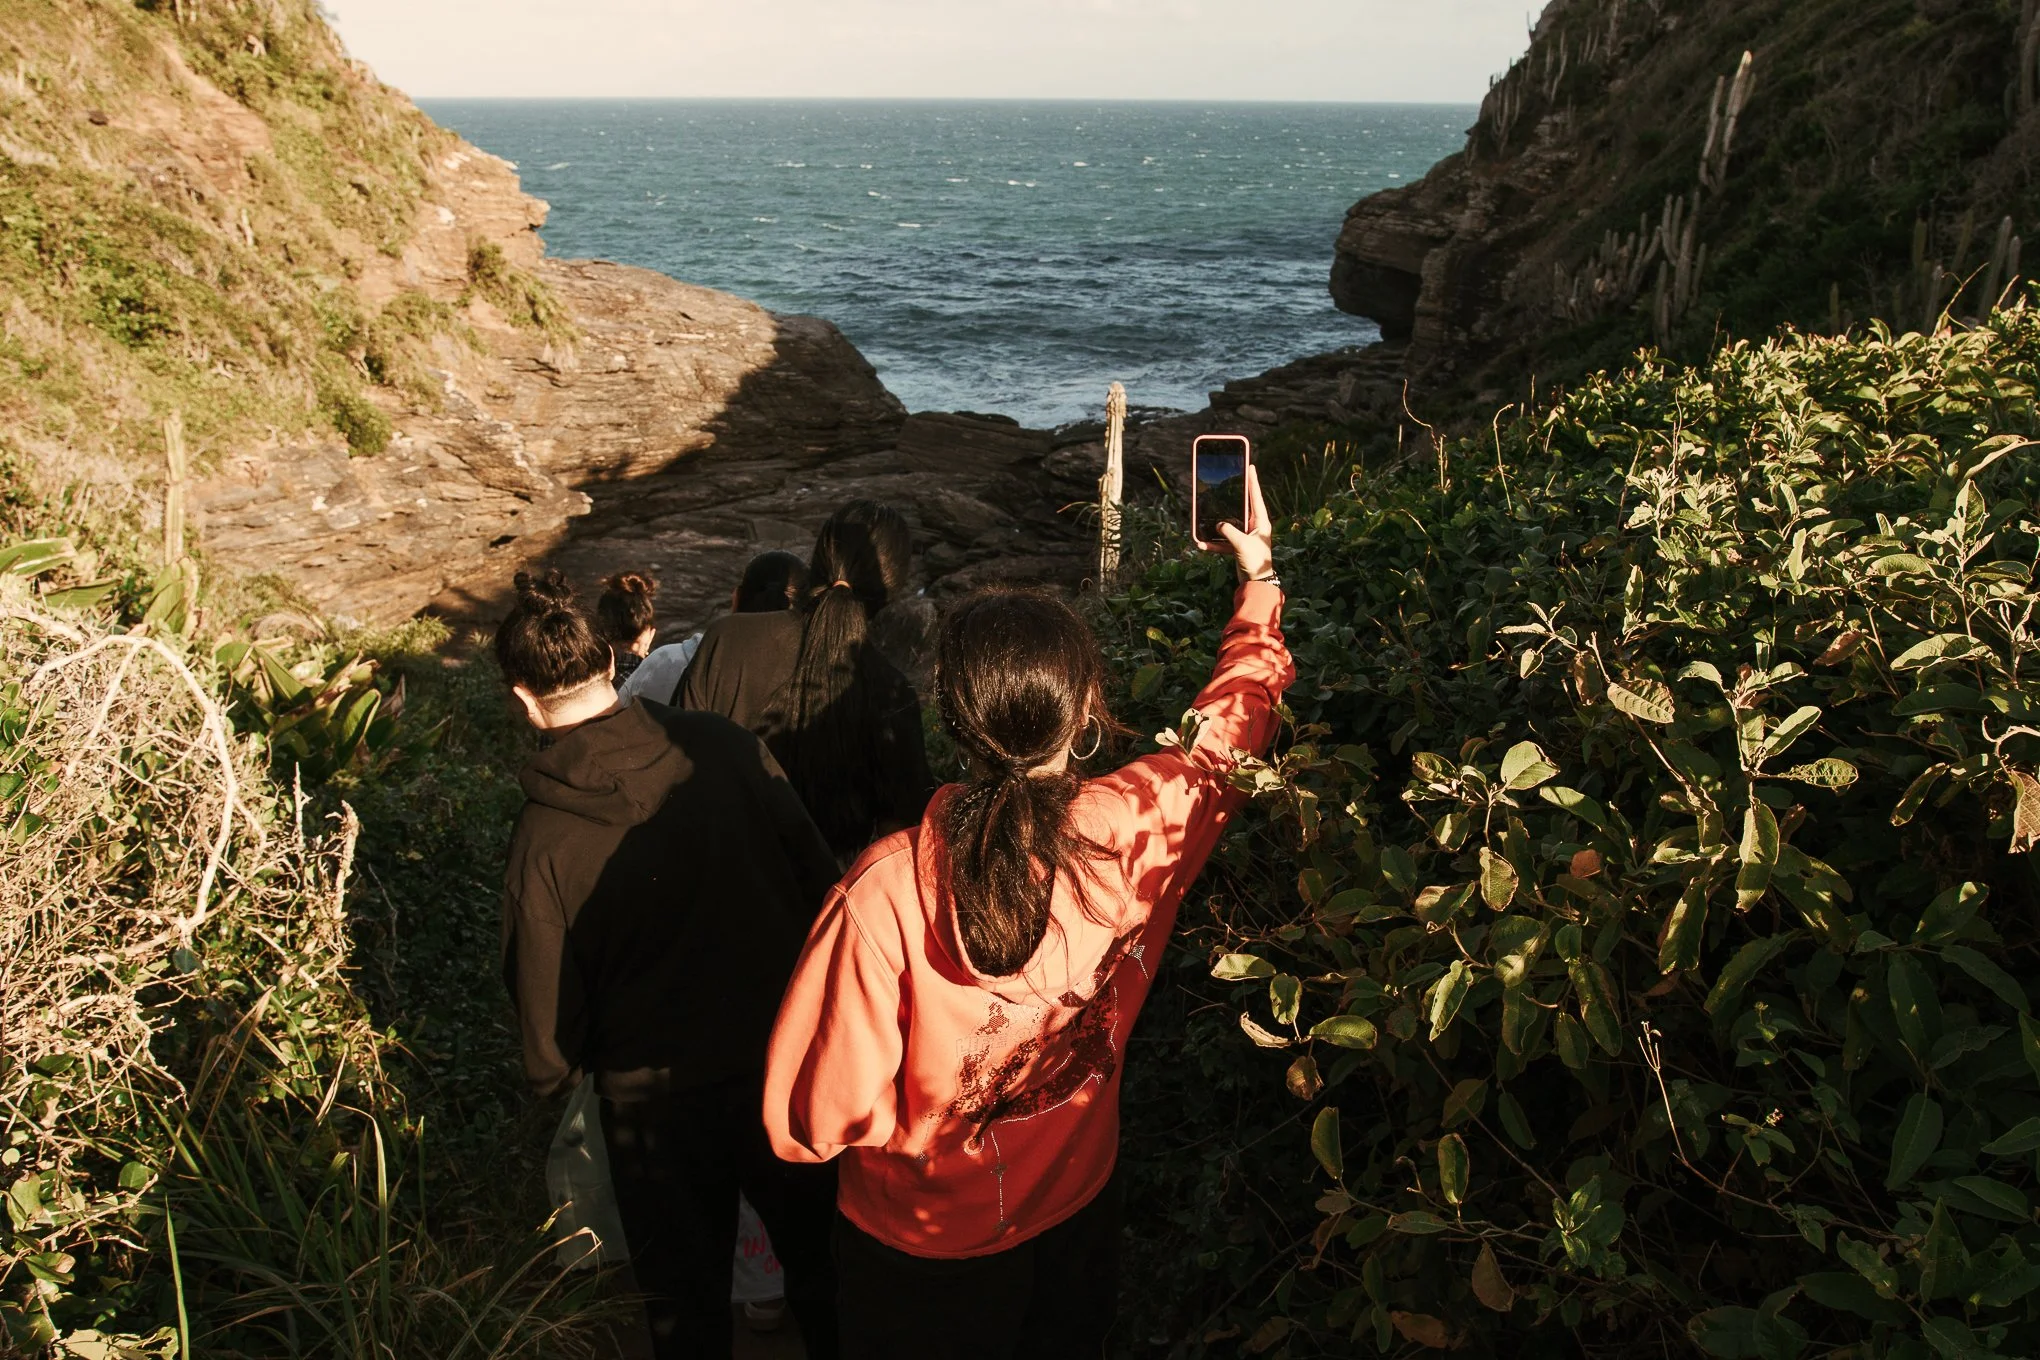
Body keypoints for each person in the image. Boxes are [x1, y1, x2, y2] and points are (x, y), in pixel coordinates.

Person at [762, 469, 1292, 1359]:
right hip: (1078, 1209)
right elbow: (1235, 723)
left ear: (956, 721)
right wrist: (1260, 578)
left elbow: (814, 1124)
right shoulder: (1142, 824)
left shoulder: (884, 894)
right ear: (1087, 711)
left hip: (919, 1256)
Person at [493, 569, 842, 1360]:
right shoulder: (720, 747)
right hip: (780, 1060)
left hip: (654, 1107)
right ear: (609, 666)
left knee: (683, 1304)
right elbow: (822, 882)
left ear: (523, 698)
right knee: (823, 1267)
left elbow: (546, 1038)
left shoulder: (542, 841)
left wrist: (565, 1070)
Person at [680, 501, 935, 862]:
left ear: (818, 562)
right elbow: (899, 838)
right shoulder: (892, 692)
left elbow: (673, 764)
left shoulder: (727, 639)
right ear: (891, 586)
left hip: (713, 886)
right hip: (825, 905)